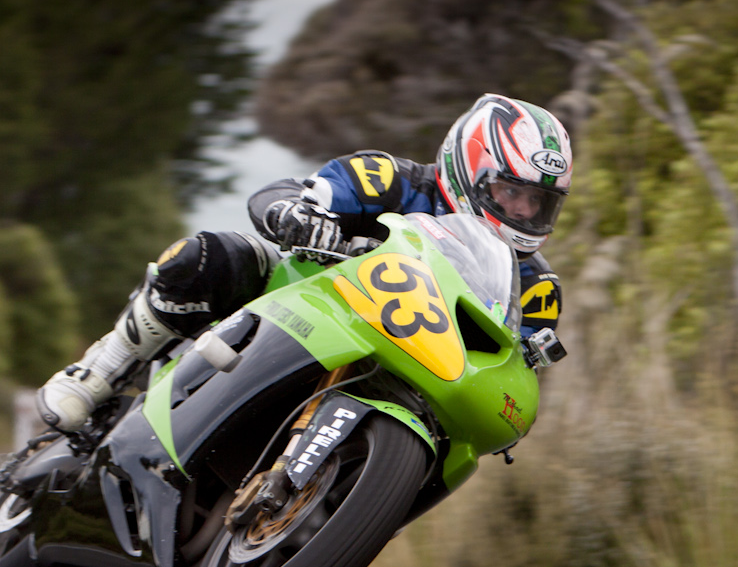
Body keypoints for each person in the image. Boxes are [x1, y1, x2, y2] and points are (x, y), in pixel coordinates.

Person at [36, 93, 573, 432]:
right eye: (510, 192)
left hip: (409, 375)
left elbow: (516, 365)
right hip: (302, 301)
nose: (522, 211)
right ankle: (101, 369)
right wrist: (297, 216)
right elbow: (285, 192)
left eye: (537, 203)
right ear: (468, 167)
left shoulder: (536, 285)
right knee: (206, 256)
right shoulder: (390, 178)